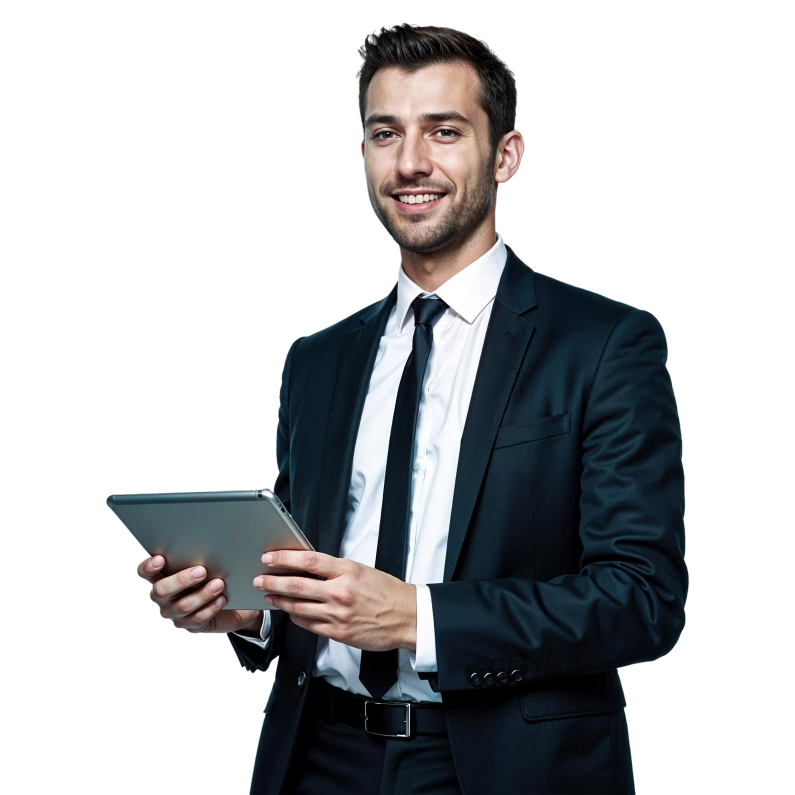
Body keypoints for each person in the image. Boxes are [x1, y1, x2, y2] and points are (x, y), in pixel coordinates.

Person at [137, 23, 687, 794]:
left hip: (501, 768)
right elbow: (305, 565)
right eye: (385, 132)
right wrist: (249, 614)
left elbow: (643, 598)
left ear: (505, 155)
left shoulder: (604, 343)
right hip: (314, 758)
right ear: (361, 155)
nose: (411, 162)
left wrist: (417, 619)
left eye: (444, 131)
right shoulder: (316, 359)